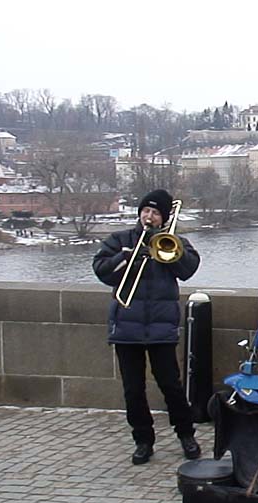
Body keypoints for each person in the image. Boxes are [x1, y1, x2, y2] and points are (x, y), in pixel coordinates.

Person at [92, 189, 201, 465]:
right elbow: (102, 270)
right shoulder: (120, 240)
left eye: (155, 213)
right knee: (133, 389)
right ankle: (143, 440)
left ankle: (186, 435)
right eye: (145, 211)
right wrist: (127, 258)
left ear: (163, 218)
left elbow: (188, 269)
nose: (149, 217)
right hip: (126, 328)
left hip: (161, 328)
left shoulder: (174, 241)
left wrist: (168, 251)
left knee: (171, 386)